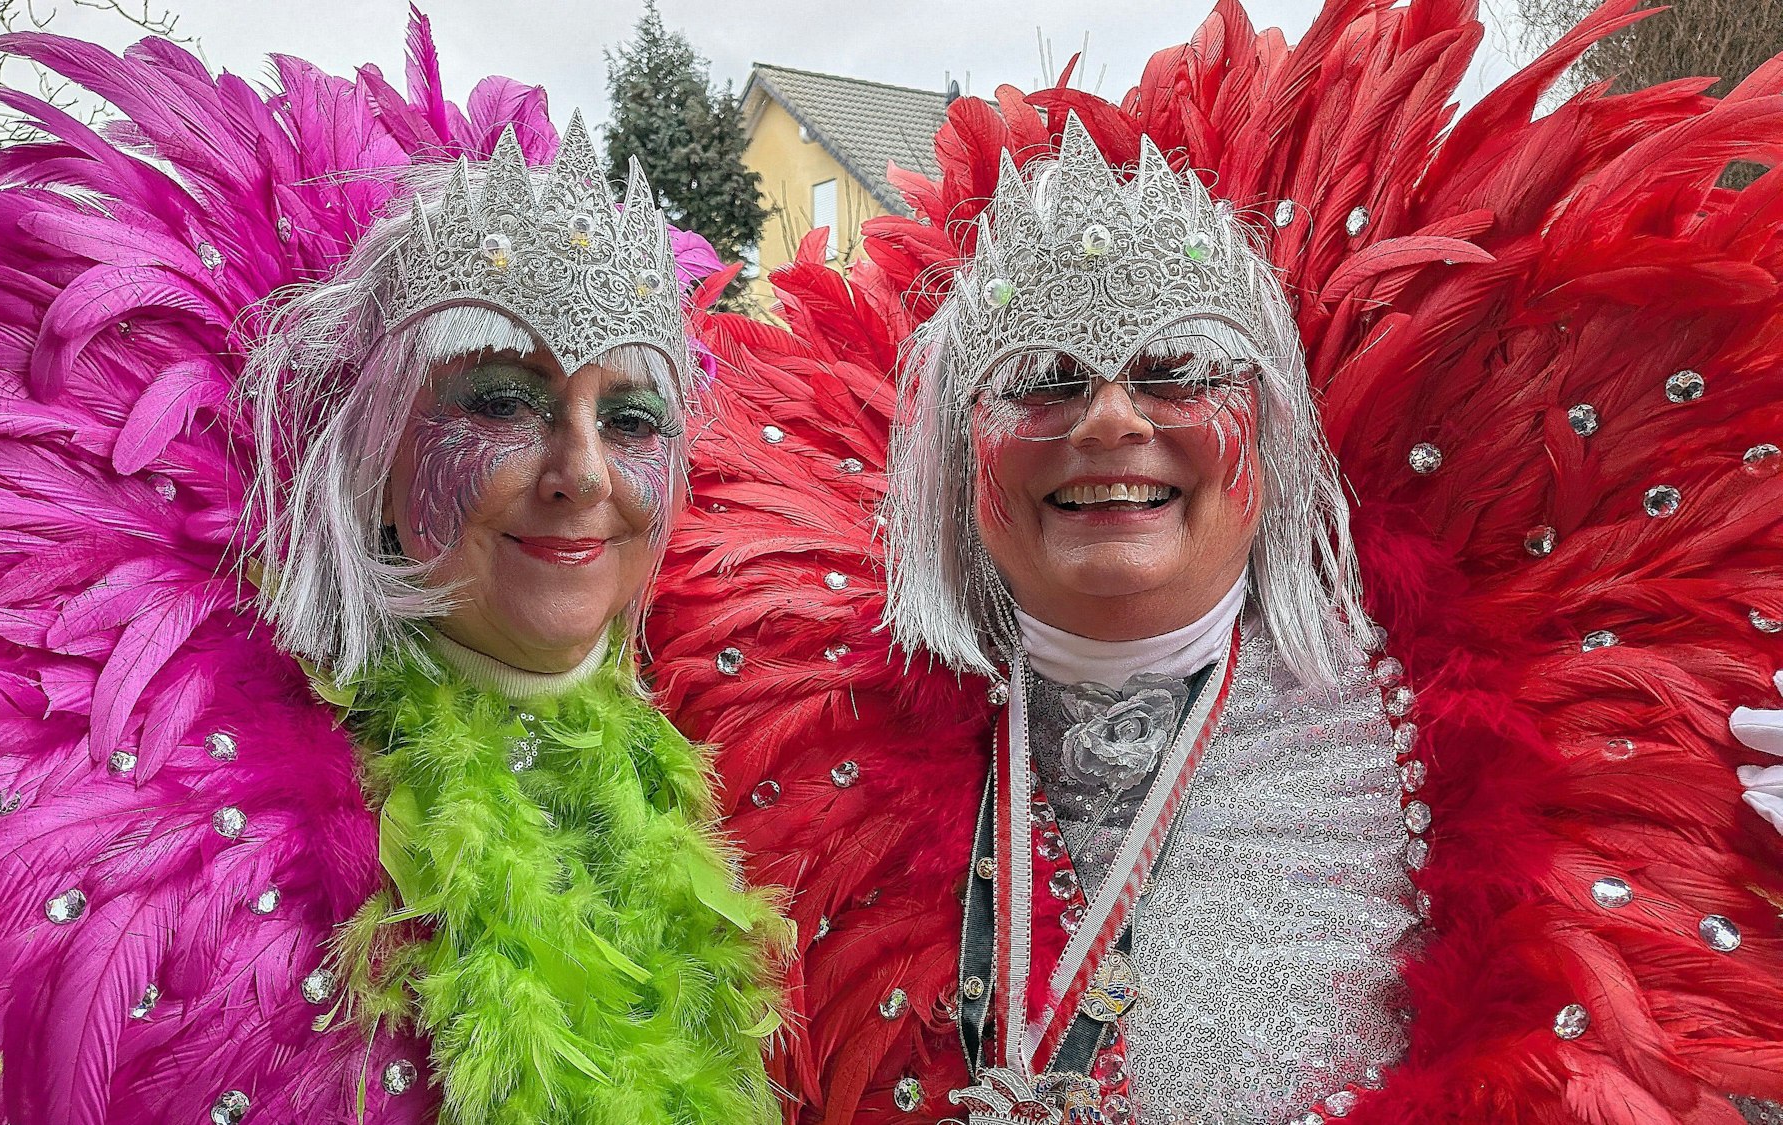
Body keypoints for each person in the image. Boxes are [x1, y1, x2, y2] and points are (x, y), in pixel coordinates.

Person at [645, 0, 1783, 1121]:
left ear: (1268, 423)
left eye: (1172, 371)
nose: (1105, 421)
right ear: (954, 457)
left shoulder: (1434, 723)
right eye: (1042, 379)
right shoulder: (799, 733)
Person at [0, 17, 782, 1125]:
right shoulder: (265, 891)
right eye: (502, 401)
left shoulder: (705, 760)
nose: (583, 473)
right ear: (379, 447)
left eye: (632, 418)